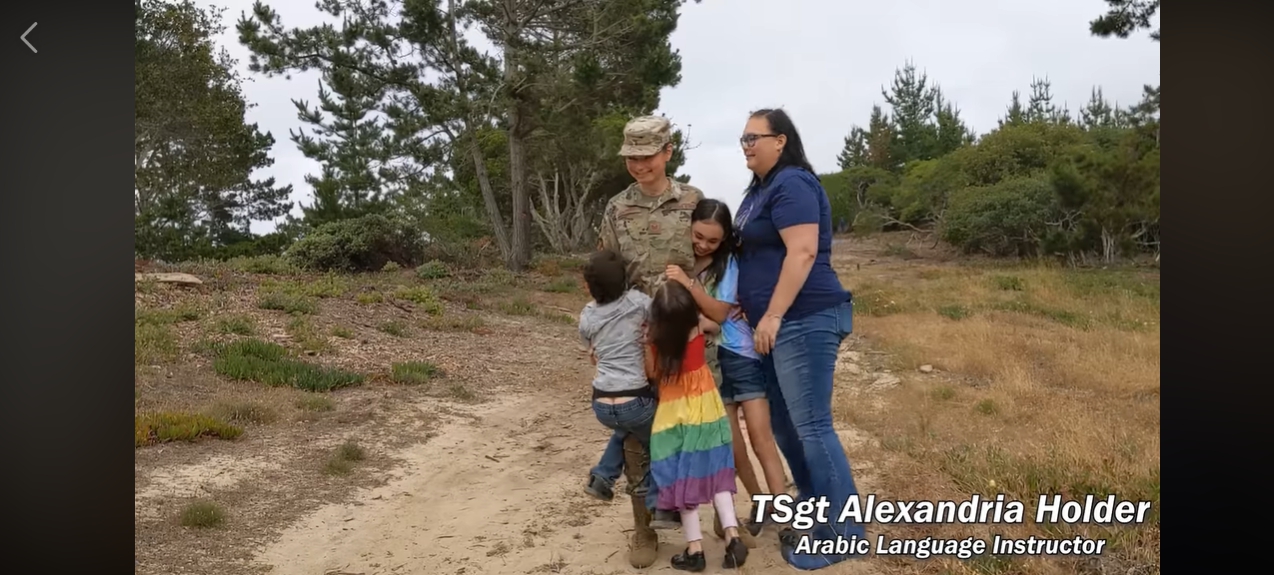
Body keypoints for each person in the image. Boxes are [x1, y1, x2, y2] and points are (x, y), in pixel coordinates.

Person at [733, 108, 867, 569]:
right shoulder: (759, 191)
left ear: (781, 141)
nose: (746, 144)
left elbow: (804, 250)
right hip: (773, 326)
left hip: (803, 317)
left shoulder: (793, 183)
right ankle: (817, 515)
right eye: (742, 138)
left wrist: (771, 314)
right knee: (787, 428)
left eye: (754, 136)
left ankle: (843, 534)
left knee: (811, 426)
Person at [593, 114, 704, 569]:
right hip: (638, 340)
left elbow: (711, 262)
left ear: (667, 153)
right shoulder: (616, 209)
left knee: (692, 429)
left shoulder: (694, 201)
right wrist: (605, 333)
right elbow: (603, 273)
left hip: (688, 334)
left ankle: (700, 516)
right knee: (639, 435)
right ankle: (643, 528)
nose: (639, 166)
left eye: (647, 157)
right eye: (631, 159)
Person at [663, 199, 788, 538]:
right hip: (707, 363)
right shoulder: (682, 260)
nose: (703, 244)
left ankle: (786, 518)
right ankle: (761, 504)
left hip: (741, 356)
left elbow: (719, 313)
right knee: (734, 448)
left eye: (712, 240)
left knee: (762, 439)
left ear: (724, 240)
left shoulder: (727, 263)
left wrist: (691, 287)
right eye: (698, 236)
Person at [645, 280, 749, 571]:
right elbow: (716, 325)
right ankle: (732, 535)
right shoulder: (699, 327)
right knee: (715, 471)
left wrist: (645, 343)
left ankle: (695, 550)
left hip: (673, 414)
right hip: (707, 409)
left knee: (681, 477)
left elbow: (652, 374)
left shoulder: (656, 339)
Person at [578, 250, 660, 519]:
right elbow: (660, 314)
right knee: (662, 441)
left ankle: (603, 477)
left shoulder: (588, 314)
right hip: (635, 399)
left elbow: (589, 347)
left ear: (589, 286)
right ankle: (660, 504)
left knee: (624, 429)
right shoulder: (637, 302)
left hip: (601, 402)